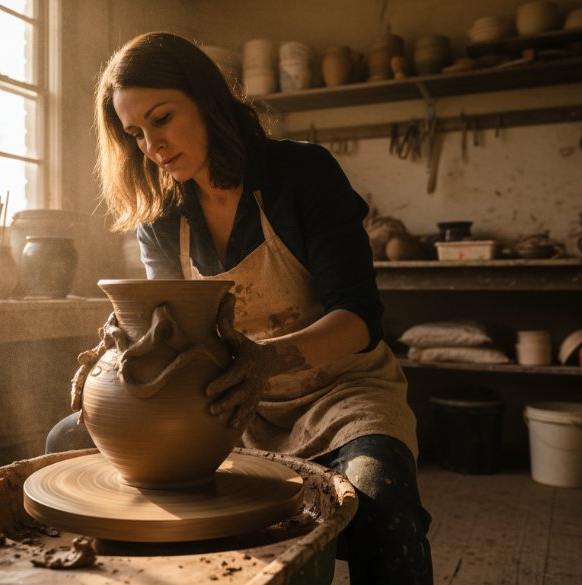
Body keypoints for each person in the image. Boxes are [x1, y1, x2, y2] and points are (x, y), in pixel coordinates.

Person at [46, 31, 432, 584]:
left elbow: (361, 319)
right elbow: (171, 326)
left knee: (383, 507)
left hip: (341, 396)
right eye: (134, 133)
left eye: (161, 118)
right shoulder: (163, 215)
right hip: (230, 403)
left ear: (207, 100)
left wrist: (266, 360)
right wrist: (126, 340)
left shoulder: (302, 175)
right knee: (65, 444)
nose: (151, 146)